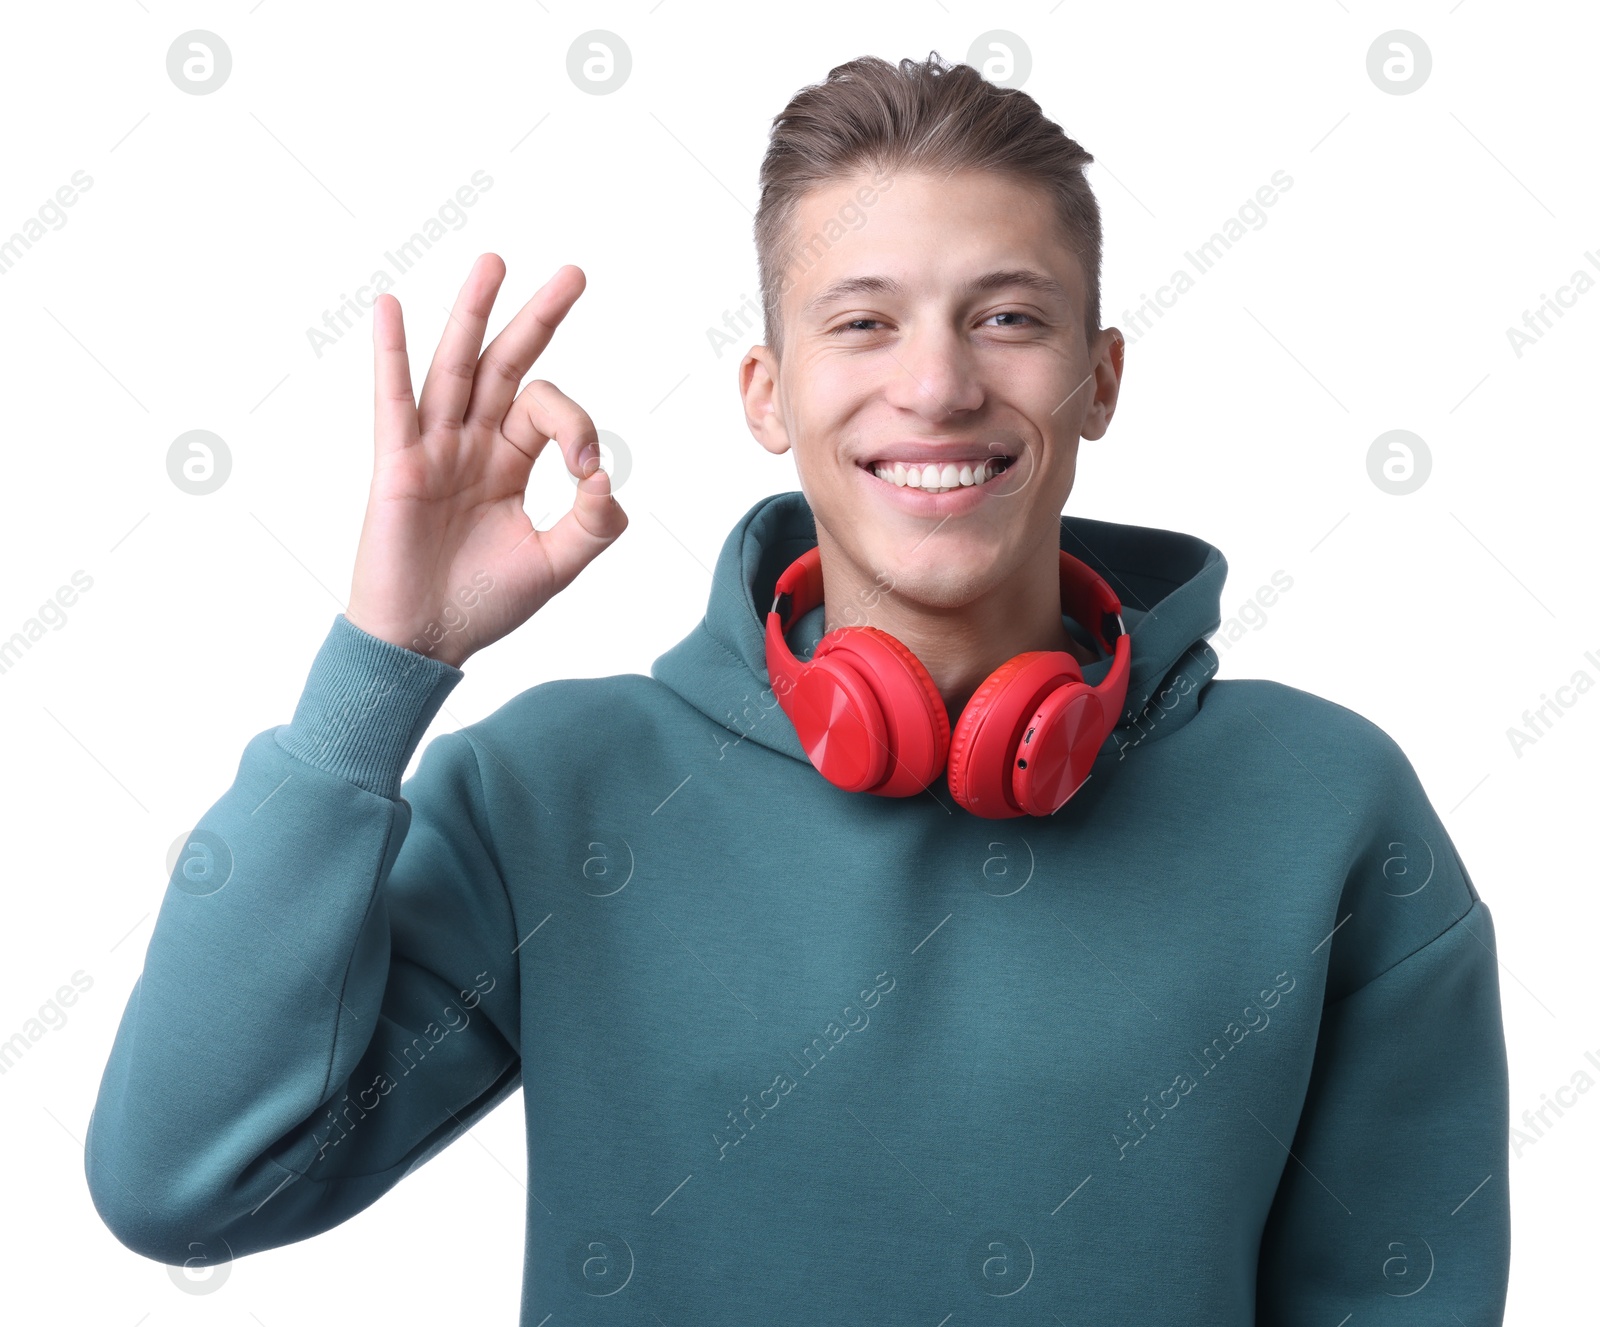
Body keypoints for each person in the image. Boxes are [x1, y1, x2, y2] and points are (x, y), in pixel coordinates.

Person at [84, 52, 1511, 1324]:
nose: (939, 387)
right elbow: (187, 1186)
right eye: (865, 323)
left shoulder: (1327, 807)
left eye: (1008, 318)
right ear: (766, 393)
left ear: (1101, 378)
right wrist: (384, 669)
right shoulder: (558, 789)